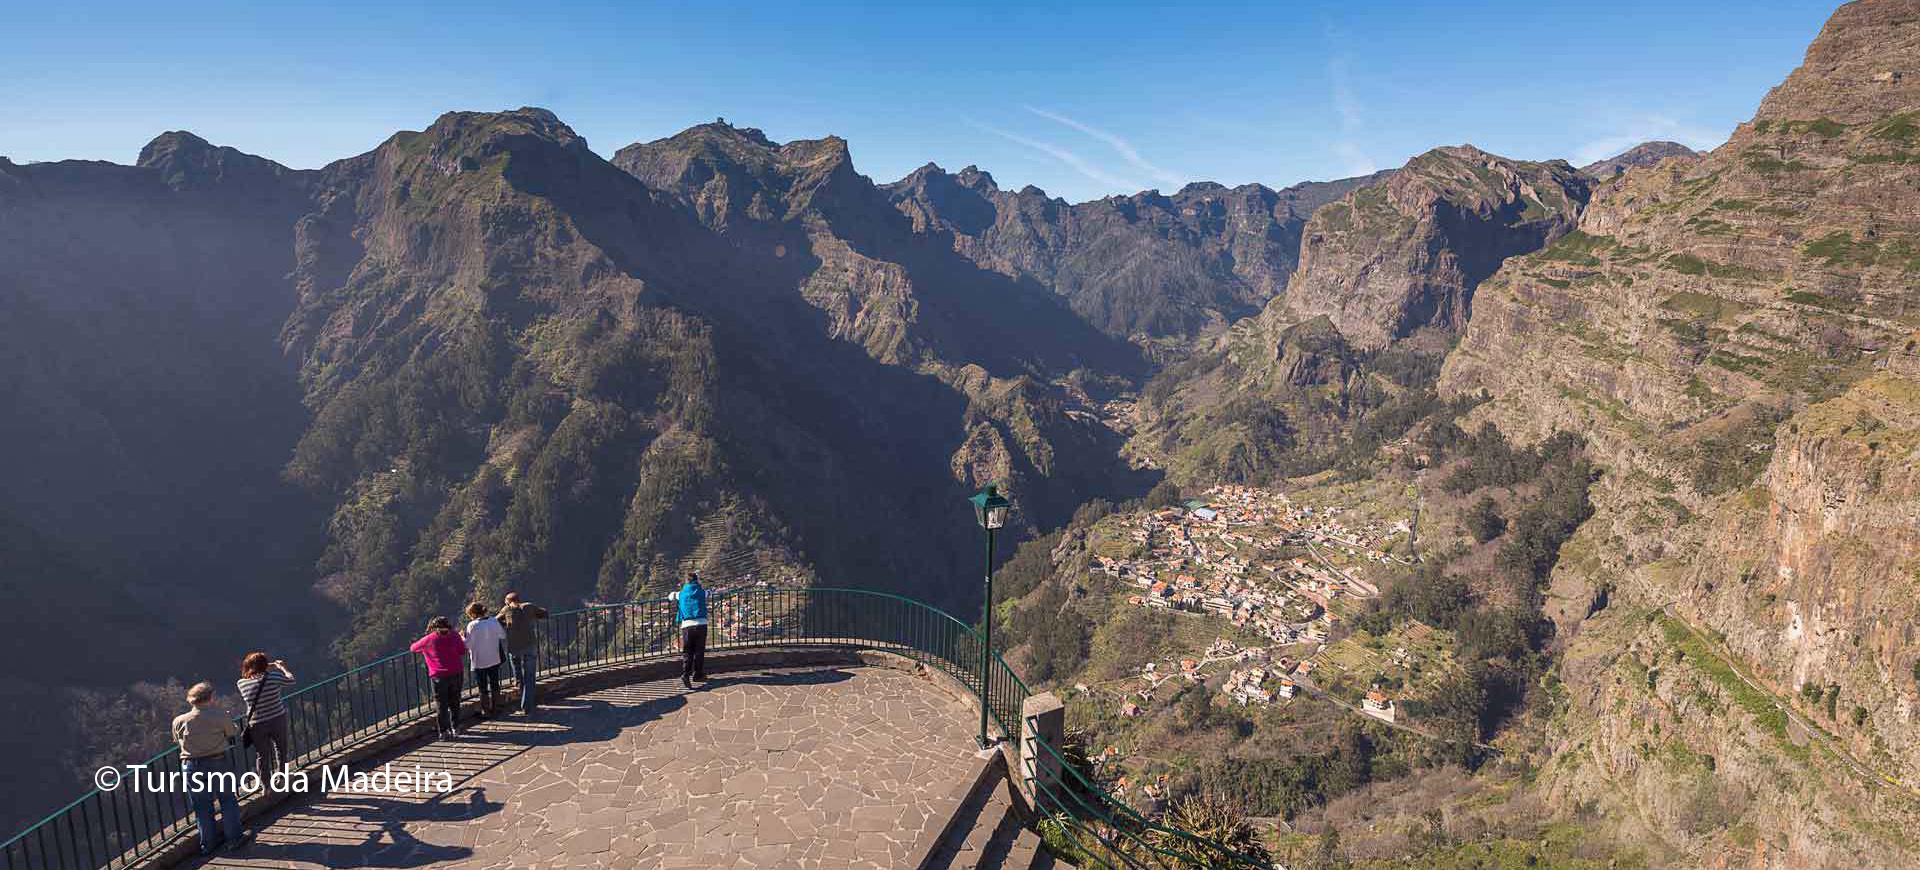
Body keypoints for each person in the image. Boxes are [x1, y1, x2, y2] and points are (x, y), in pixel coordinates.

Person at [171, 682, 246, 855]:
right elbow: (232, 732)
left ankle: (208, 844)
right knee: (227, 801)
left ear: (191, 700)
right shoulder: (219, 716)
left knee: (202, 807)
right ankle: (235, 839)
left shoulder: (179, 720)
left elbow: (177, 740)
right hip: (217, 762)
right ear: (210, 698)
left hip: (191, 766)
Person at [235, 653, 295, 792]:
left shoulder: (241, 683)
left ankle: (266, 786)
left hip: (257, 723)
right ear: (264, 665)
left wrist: (263, 665)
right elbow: (291, 680)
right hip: (277, 719)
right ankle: (282, 778)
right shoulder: (274, 677)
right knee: (281, 751)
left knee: (262, 755)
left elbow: (250, 676)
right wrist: (281, 667)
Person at [410, 617, 468, 739]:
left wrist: (426, 649)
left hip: (438, 676)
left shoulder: (429, 639)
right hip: (456, 672)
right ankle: (456, 727)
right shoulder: (455, 635)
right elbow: (462, 651)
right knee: (455, 701)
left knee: (441, 704)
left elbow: (413, 648)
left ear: (434, 627)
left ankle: (443, 732)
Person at [499, 592, 548, 715]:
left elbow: (495, 621)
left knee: (515, 663)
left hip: (514, 647)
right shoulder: (529, 606)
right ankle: (527, 706)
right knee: (530, 677)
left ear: (507, 601)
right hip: (529, 645)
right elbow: (544, 613)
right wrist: (532, 617)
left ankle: (518, 680)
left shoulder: (506, 609)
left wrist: (506, 624)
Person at [463, 602, 508, 719]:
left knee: (482, 687)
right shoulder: (493, 621)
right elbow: (503, 635)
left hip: (479, 661)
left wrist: (463, 637)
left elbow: (467, 645)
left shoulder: (472, 625)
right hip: (494, 658)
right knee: (495, 684)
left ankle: (485, 711)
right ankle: (496, 708)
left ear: (473, 614)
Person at [670, 574, 710, 689]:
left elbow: (670, 596)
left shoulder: (681, 594)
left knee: (688, 652)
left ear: (686, 582)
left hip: (687, 626)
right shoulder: (702, 592)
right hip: (701, 624)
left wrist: (675, 594)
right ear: (697, 581)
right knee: (699, 651)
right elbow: (709, 593)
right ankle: (698, 674)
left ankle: (686, 675)